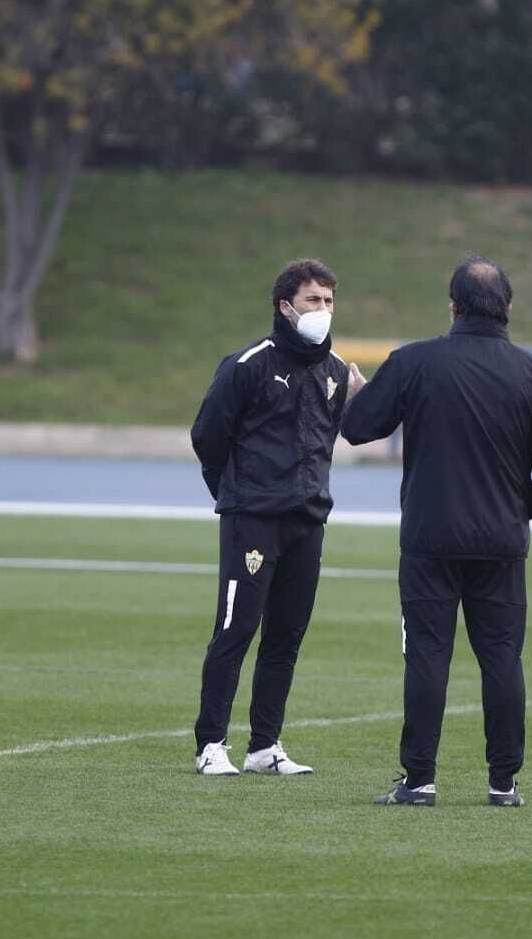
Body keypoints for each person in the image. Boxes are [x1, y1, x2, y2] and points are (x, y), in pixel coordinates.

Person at [341, 255, 532, 807]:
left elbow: (356, 429)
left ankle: (420, 779)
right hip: (500, 543)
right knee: (501, 659)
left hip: (429, 538)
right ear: (509, 309)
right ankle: (503, 783)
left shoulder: (415, 362)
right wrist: (525, 507)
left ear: (452, 306)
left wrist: (357, 392)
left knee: (426, 655)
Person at [189, 258, 365, 777]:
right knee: (235, 629)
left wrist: (363, 397)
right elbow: (208, 437)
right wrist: (237, 495)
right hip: (253, 521)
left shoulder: (336, 373)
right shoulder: (248, 365)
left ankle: (265, 745)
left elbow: (341, 437)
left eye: (330, 300)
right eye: (313, 299)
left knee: (286, 636)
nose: (323, 309)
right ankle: (210, 745)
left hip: (307, 522)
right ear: (285, 307)